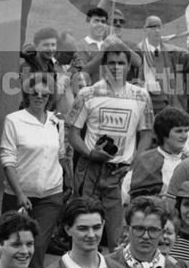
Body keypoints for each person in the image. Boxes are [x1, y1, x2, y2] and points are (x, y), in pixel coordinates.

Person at [65, 43, 154, 249]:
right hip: (90, 169)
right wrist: (89, 153)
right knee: (84, 232)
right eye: (111, 62)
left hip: (120, 173)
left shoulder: (141, 96)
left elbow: (147, 134)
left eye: (121, 63)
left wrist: (134, 165)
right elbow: (73, 133)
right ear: (104, 66)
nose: (116, 67)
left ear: (128, 66)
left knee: (118, 238)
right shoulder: (88, 93)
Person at [0, 74, 65, 268]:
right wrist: (19, 193)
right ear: (27, 94)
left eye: (44, 94)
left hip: (51, 194)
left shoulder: (56, 122)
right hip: (19, 196)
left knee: (38, 246)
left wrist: (68, 181)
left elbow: (60, 154)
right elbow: (7, 159)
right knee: (16, 246)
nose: (39, 97)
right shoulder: (14, 120)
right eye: (34, 93)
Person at [33, 198, 131, 268]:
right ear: (67, 229)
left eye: (96, 227)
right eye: (83, 228)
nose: (91, 235)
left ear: (103, 225)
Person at [109, 197, 189, 268]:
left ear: (161, 232)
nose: (146, 236)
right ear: (127, 230)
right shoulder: (106, 267)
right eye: (139, 229)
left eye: (153, 230)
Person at [126, 107, 189, 201]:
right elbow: (133, 198)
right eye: (179, 131)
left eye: (186, 131)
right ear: (164, 133)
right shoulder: (145, 161)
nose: (184, 136)